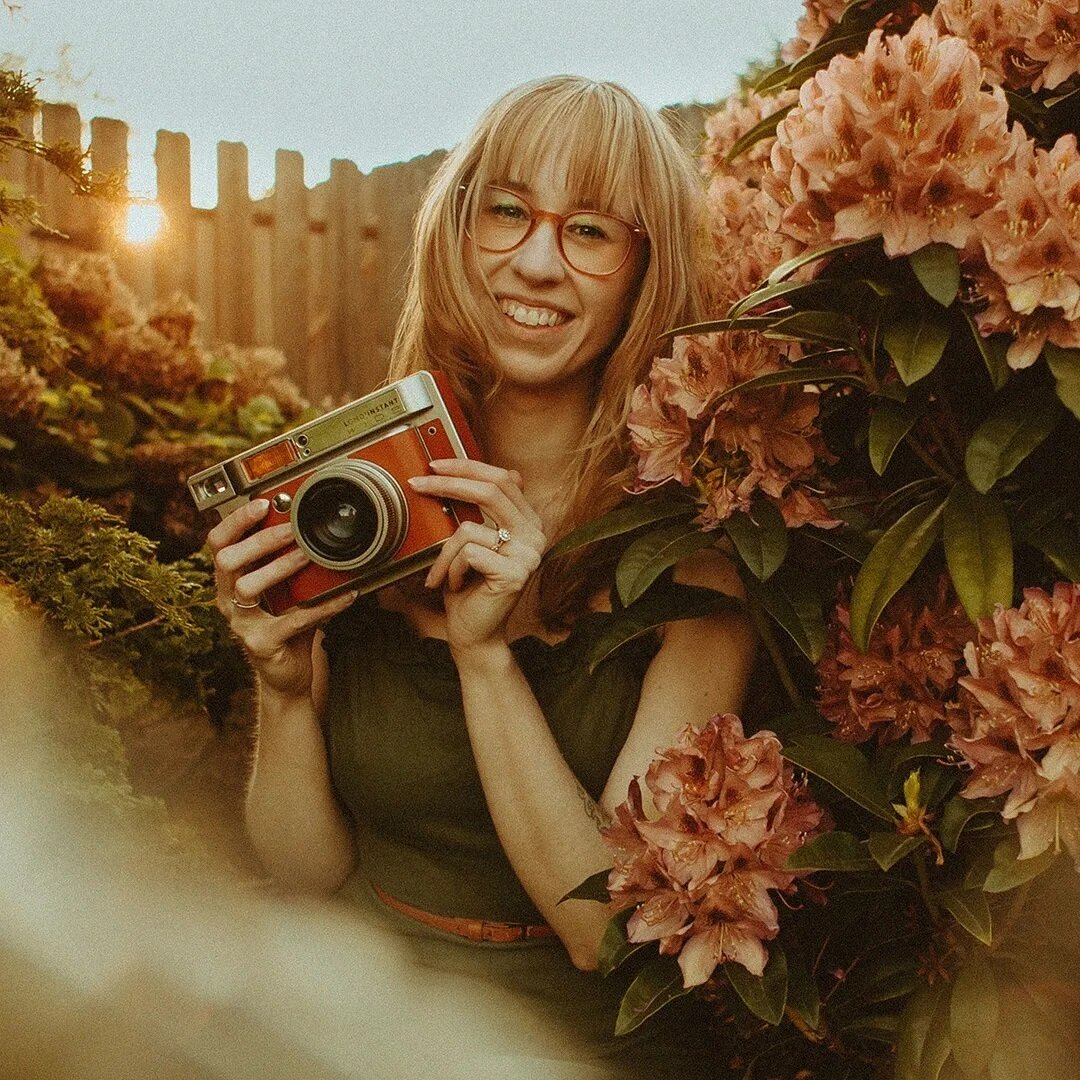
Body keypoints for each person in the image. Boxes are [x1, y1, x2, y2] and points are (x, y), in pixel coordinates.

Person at [208, 75, 756, 1078]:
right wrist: (280, 690)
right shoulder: (360, 506)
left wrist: (487, 659)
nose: (537, 262)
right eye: (507, 211)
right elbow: (305, 868)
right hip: (357, 1028)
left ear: (643, 272)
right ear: (457, 235)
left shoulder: (694, 566)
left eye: (590, 231)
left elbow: (610, 937)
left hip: (578, 1049)